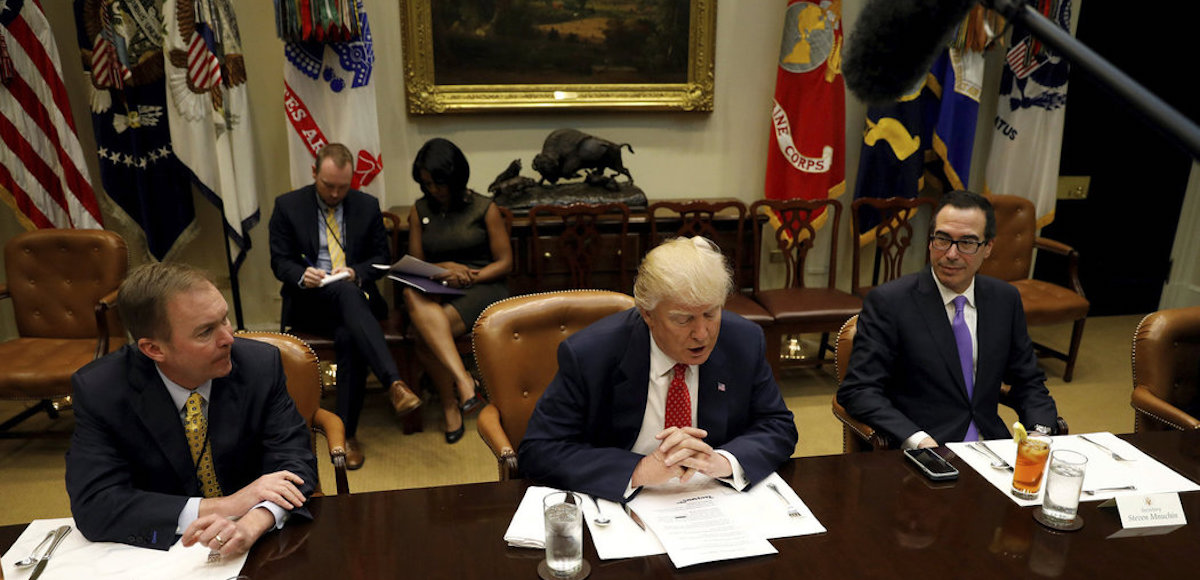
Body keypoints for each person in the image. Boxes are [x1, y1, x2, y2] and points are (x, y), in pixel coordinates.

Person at [65, 263, 317, 557]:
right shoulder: (102, 390)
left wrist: (253, 522)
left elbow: (295, 462)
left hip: (261, 546)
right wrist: (227, 505)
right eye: (205, 332)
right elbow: (96, 505)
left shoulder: (259, 366)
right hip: (158, 552)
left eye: (224, 319)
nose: (228, 338)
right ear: (154, 349)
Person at [518, 237, 798, 501]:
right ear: (647, 315)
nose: (702, 334)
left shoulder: (743, 340)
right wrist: (637, 470)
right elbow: (540, 450)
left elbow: (778, 425)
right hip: (624, 503)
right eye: (683, 319)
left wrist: (724, 461)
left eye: (711, 314)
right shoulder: (590, 354)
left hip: (713, 498)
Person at [836, 190, 1059, 449]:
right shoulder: (890, 302)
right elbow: (859, 390)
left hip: (992, 447)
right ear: (930, 242)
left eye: (967, 243)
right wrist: (916, 439)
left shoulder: (1004, 299)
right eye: (942, 239)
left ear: (988, 248)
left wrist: (1039, 431)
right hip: (924, 450)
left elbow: (1028, 381)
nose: (951, 254)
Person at [269, 143, 421, 468]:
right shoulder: (288, 206)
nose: (336, 193)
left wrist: (355, 272)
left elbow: (382, 260)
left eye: (343, 186)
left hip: (356, 302)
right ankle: (392, 381)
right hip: (310, 303)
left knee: (349, 329)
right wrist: (301, 274)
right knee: (345, 296)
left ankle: (346, 434)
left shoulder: (366, 206)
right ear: (314, 173)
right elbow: (279, 261)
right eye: (328, 186)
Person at [405, 138, 512, 443]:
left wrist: (468, 277)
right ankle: (463, 380)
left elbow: (504, 263)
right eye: (426, 184)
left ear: (455, 178)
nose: (433, 190)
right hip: (439, 285)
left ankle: (451, 404)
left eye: (439, 183)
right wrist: (446, 269)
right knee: (410, 294)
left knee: (423, 336)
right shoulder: (419, 210)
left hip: (483, 286)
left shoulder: (484, 208)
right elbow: (415, 266)